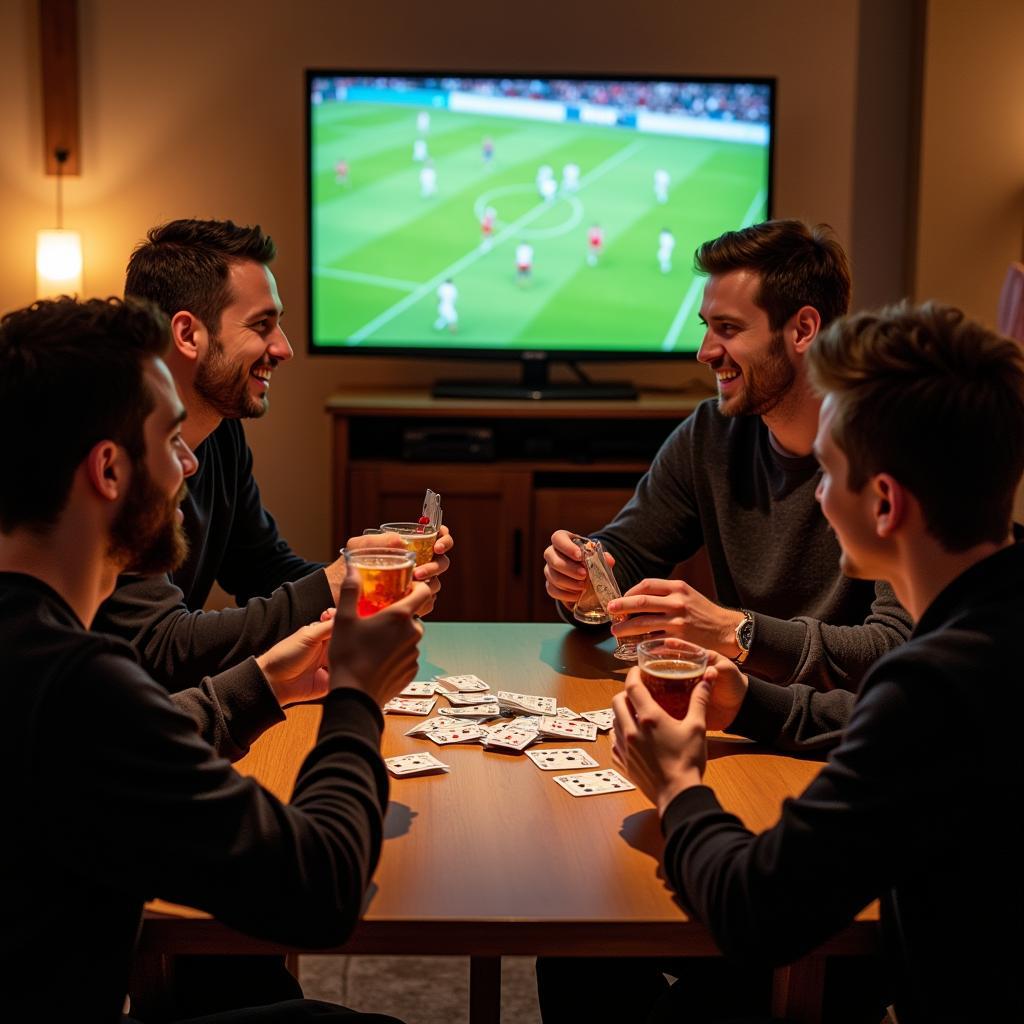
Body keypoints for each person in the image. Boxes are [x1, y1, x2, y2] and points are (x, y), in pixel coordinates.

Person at [0, 296, 428, 1022]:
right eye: (171, 440)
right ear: (108, 470)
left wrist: (264, 682)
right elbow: (320, 890)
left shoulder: (47, 666)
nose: (191, 463)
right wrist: (355, 696)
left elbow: (113, 751)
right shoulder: (79, 683)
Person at [611, 301, 1024, 1022]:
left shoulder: (931, 687)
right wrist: (756, 703)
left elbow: (758, 911)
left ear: (885, 505)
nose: (820, 496)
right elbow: (891, 739)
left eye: (828, 473)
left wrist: (677, 786)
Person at [543, 220, 912, 693]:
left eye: (728, 329)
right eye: (706, 327)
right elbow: (627, 555)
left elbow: (896, 650)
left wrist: (732, 631)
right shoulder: (711, 433)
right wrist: (582, 581)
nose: (704, 352)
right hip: (746, 716)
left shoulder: (898, 448)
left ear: (803, 329)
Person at [93, 219, 452, 694]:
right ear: (186, 333)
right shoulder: (110, 456)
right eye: (262, 325)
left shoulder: (221, 432)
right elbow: (159, 650)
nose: (284, 348)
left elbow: (261, 569)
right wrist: (335, 582)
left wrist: (359, 581)